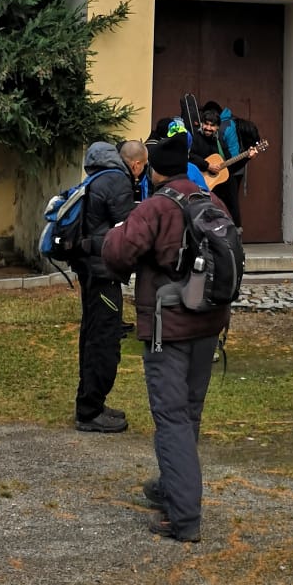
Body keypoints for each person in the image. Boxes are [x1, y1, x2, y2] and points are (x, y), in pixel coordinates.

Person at [102, 131, 230, 542]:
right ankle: (169, 486)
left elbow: (118, 254)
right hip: (209, 322)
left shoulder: (156, 206)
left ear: (154, 170)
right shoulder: (212, 202)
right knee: (188, 412)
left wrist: (115, 231)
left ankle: (183, 517)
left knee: (171, 417)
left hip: (168, 327)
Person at [72, 141, 140, 432]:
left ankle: (90, 403)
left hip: (89, 269)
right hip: (104, 272)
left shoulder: (94, 179)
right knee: (104, 340)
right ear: (135, 164)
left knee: (91, 336)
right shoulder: (117, 181)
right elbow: (127, 230)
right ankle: (90, 411)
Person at [198, 99, 260, 230]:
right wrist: (207, 165)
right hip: (204, 180)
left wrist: (247, 157)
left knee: (230, 202)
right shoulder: (197, 139)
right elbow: (191, 157)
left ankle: (234, 231)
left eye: (212, 125)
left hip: (224, 176)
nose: (208, 128)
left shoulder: (221, 138)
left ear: (217, 127)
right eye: (206, 124)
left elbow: (231, 161)